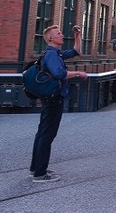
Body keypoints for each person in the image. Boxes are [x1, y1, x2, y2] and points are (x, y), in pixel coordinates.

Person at [30, 24, 87, 183]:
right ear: (51, 38)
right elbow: (59, 73)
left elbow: (76, 52)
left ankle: (36, 168)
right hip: (53, 99)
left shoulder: (55, 53)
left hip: (50, 98)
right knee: (47, 134)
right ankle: (40, 174)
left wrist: (77, 35)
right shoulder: (52, 55)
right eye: (59, 33)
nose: (62, 35)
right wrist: (78, 73)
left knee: (42, 132)